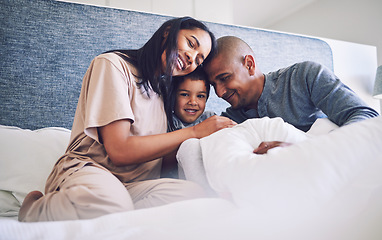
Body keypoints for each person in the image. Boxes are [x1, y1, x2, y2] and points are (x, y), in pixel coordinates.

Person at [18, 17, 236, 222]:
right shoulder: (113, 65)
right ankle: (33, 208)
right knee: (107, 203)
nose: (191, 57)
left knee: (196, 196)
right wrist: (194, 132)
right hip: (93, 170)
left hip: (134, 186)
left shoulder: (163, 92)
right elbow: (119, 150)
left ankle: (119, 214)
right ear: (168, 32)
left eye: (199, 59)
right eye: (191, 43)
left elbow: (162, 154)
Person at [204, 36, 379, 132]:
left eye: (224, 78)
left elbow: (365, 116)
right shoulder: (230, 120)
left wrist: (303, 149)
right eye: (213, 85)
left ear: (249, 64)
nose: (219, 92)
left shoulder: (304, 76)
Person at [168, 67, 216, 132]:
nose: (193, 102)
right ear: (172, 97)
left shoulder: (210, 119)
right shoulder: (169, 123)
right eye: (185, 95)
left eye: (200, 96)